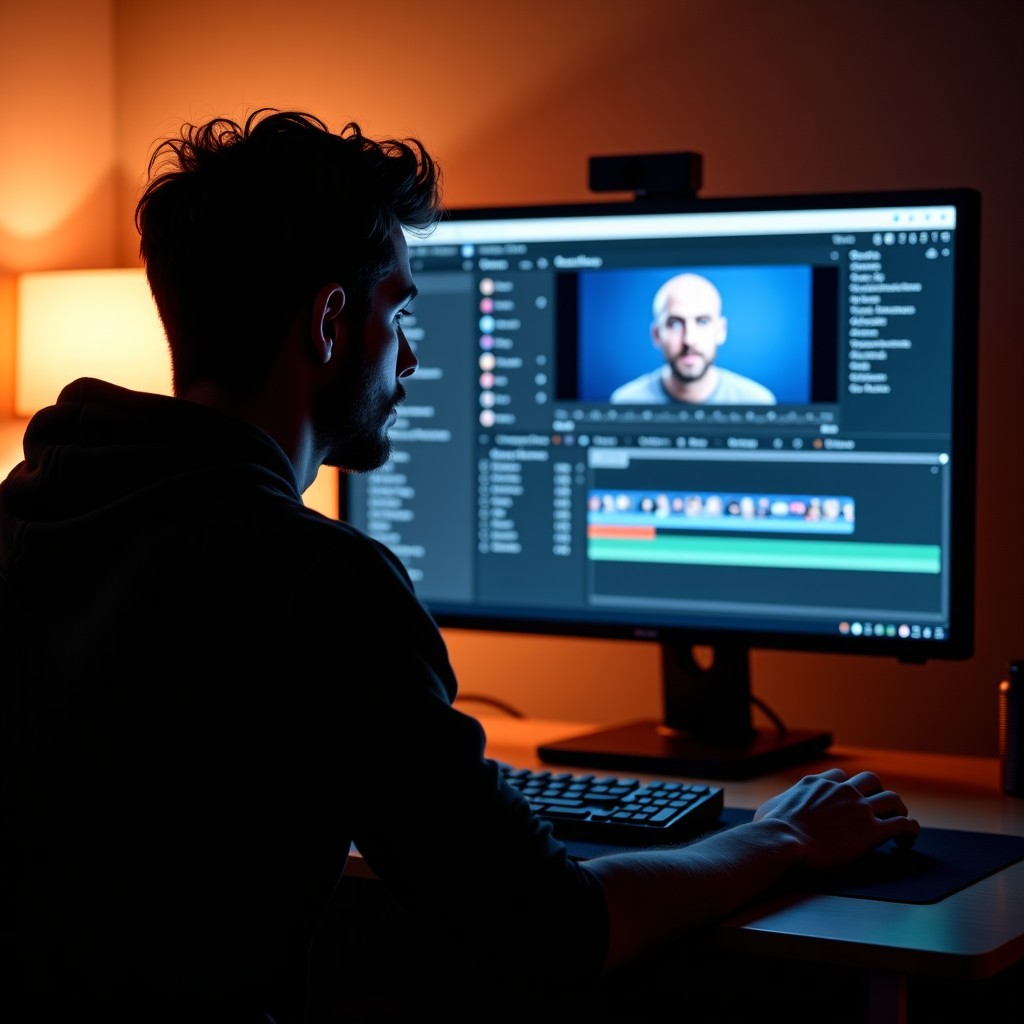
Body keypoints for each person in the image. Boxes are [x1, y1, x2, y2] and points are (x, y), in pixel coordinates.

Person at [0, 109, 918, 1023]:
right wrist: (784, 836)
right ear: (329, 321)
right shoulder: (318, 584)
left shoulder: (36, 505)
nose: (408, 352)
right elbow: (552, 930)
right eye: (397, 309)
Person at [610, 271, 777, 404]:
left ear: (721, 331)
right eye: (675, 324)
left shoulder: (757, 402)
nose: (689, 340)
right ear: (656, 335)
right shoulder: (624, 402)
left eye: (702, 322)